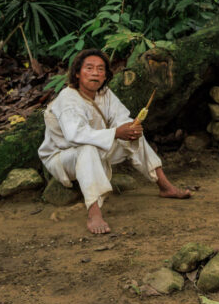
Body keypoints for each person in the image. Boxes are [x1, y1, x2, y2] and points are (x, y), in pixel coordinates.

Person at [39, 49, 190, 234]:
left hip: (97, 150)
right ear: (77, 73)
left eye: (100, 69)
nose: (95, 73)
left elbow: (120, 116)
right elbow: (75, 135)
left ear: (105, 76)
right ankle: (94, 213)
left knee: (134, 134)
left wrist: (129, 128)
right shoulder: (68, 99)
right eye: (89, 68)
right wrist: (116, 133)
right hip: (64, 158)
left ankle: (165, 187)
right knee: (86, 148)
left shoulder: (105, 93)